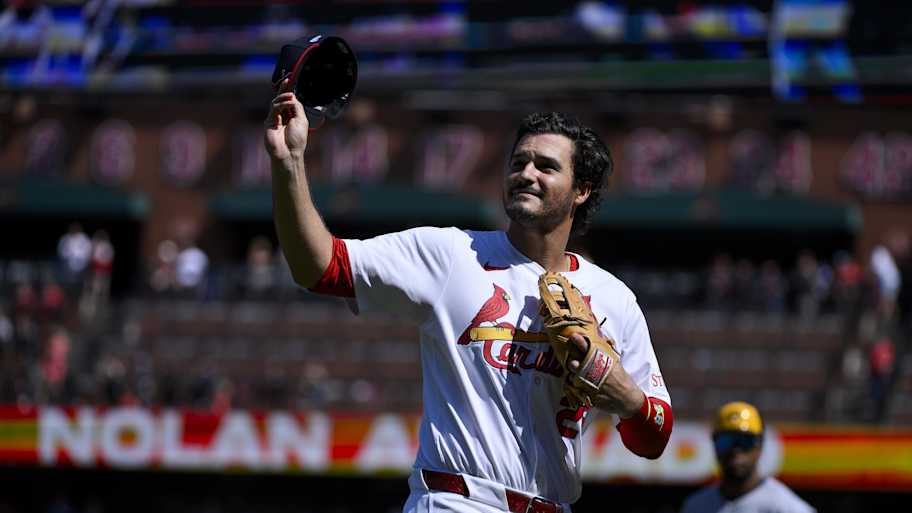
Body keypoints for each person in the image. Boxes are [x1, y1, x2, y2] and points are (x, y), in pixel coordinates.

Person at [266, 84, 673, 513]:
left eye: (546, 166)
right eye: (519, 162)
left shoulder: (614, 298)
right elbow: (321, 268)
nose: (526, 173)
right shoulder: (451, 255)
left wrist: (626, 397)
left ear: (582, 190)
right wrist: (289, 162)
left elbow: (654, 440)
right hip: (458, 499)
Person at [680, 402, 815, 513]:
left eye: (745, 440)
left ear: (760, 445)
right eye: (726, 440)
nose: (735, 450)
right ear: (714, 443)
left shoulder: (788, 508)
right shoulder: (695, 506)